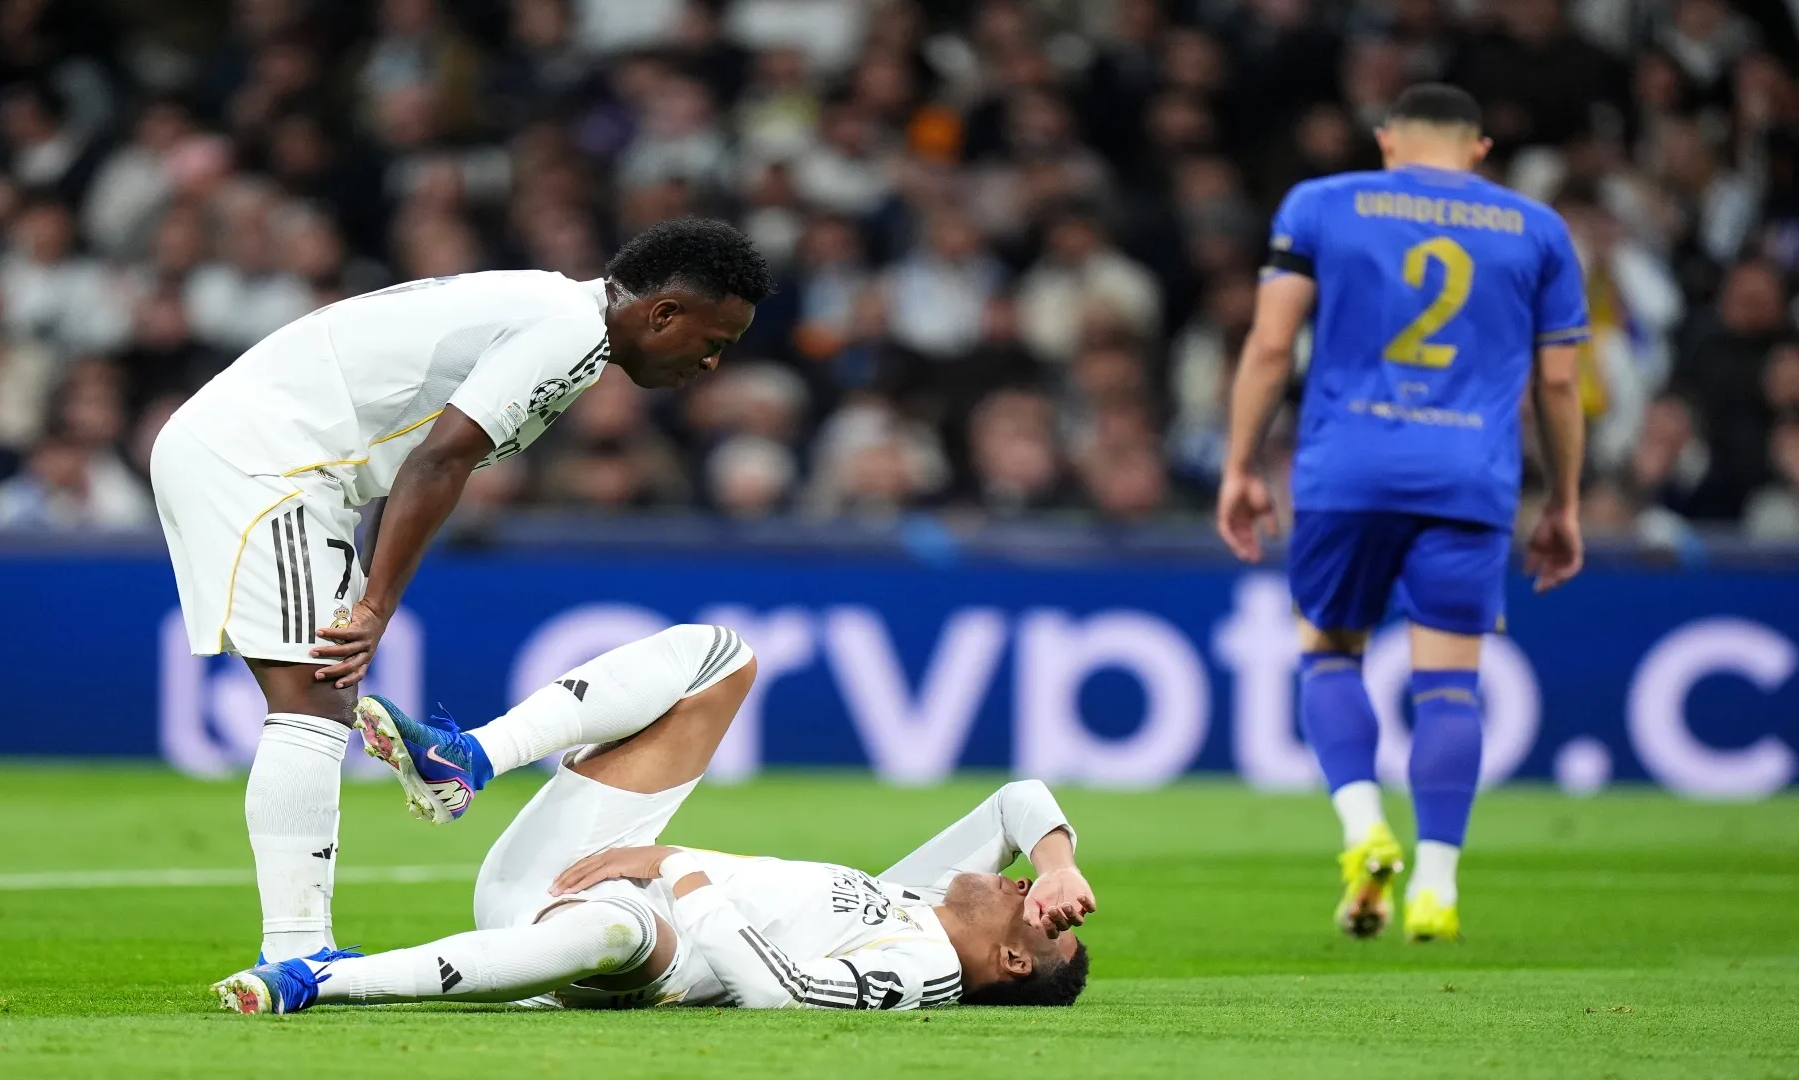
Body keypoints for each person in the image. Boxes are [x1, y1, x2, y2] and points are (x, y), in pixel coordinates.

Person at [150, 218, 770, 965]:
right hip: (264, 459)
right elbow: (439, 462)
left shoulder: (561, 316)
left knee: (321, 693)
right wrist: (375, 606)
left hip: (289, 465)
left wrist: (369, 586)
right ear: (662, 312)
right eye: (715, 341)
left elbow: (413, 448)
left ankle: (301, 947)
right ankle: (296, 952)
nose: (709, 363)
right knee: (314, 697)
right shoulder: (566, 330)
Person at [210, 623, 1093, 1014]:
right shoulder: (915, 904)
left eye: (1042, 920)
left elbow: (781, 995)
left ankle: (319, 979)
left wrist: (677, 868)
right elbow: (1018, 800)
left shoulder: (923, 972)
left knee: (625, 931)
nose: (1029, 890)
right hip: (580, 876)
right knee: (720, 658)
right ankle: (468, 758)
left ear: (1013, 961)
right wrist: (1057, 863)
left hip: (630, 938)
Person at [1217, 85, 1587, 943]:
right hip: (1469, 478)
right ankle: (1440, 884)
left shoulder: (1319, 204)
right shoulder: (1537, 229)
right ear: (1480, 149)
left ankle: (1361, 833)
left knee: (1330, 659)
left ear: (1387, 142)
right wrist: (1563, 499)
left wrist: (1240, 464)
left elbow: (1272, 344)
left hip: (1346, 471)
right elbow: (1560, 382)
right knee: (1451, 685)